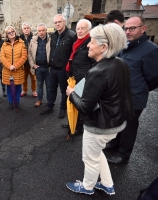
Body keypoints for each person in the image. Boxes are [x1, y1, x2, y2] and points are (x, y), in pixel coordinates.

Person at [65, 23, 133, 195]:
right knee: (97, 153)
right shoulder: (121, 63)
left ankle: (87, 187)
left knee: (89, 158)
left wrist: (71, 93)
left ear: (104, 47)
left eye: (92, 42)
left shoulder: (98, 71)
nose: (88, 44)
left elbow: (85, 108)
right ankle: (108, 184)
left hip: (99, 126)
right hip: (116, 121)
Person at [105, 16, 158, 165]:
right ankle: (114, 144)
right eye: (126, 28)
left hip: (134, 98)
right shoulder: (125, 45)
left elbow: (154, 78)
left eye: (132, 28)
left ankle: (123, 155)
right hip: (118, 96)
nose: (128, 31)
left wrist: (139, 89)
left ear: (143, 28)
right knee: (118, 122)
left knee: (129, 127)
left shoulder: (151, 50)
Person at [61, 19, 94, 135]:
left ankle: (78, 127)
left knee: (79, 104)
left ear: (89, 30)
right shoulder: (77, 41)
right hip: (74, 77)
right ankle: (72, 123)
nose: (79, 31)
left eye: (83, 28)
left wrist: (87, 78)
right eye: (78, 28)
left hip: (83, 80)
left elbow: (94, 64)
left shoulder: (91, 43)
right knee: (72, 101)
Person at [40, 14, 76, 118]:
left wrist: (71, 69)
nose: (57, 24)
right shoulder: (53, 35)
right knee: (51, 89)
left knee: (64, 90)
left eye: (59, 22)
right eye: (55, 22)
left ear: (64, 22)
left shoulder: (71, 35)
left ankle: (63, 109)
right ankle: (50, 106)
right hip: (53, 68)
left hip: (64, 69)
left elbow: (74, 53)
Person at [0, 26, 27, 110]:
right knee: (9, 88)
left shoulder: (21, 43)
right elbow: (2, 57)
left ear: (15, 32)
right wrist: (9, 66)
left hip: (18, 70)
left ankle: (17, 101)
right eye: (9, 32)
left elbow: (24, 56)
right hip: (7, 71)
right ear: (6, 35)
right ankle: (10, 102)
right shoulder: (4, 45)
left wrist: (15, 66)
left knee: (18, 87)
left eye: (12, 31)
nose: (11, 33)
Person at [28, 23, 50, 107]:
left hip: (48, 67)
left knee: (49, 86)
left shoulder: (50, 40)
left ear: (46, 30)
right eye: (39, 31)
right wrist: (32, 65)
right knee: (39, 85)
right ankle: (39, 100)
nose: (41, 32)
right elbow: (29, 54)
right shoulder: (33, 40)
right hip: (38, 68)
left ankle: (49, 101)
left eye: (43, 30)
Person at [20, 22, 37, 97]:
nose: (26, 30)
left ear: (30, 29)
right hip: (23, 62)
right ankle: (24, 90)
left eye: (28, 28)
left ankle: (34, 90)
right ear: (22, 30)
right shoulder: (20, 38)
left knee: (33, 77)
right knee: (24, 77)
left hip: (32, 61)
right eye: (25, 28)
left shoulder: (34, 38)